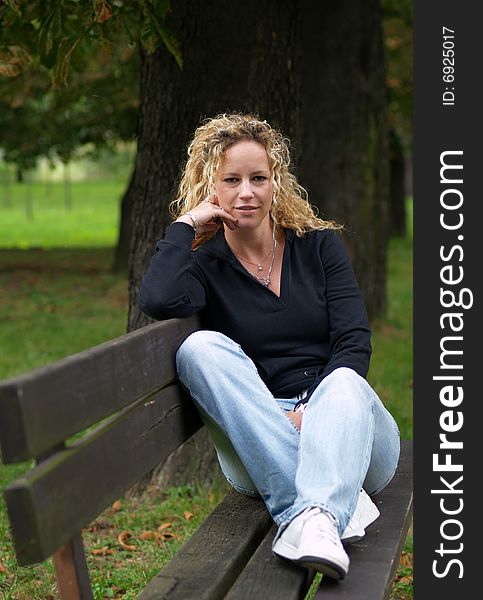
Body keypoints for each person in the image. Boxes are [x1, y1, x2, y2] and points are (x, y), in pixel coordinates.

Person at [139, 113, 400, 581]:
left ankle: (307, 514)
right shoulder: (204, 267)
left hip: (345, 425)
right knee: (199, 348)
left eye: (258, 178)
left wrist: (314, 416)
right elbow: (159, 299)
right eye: (231, 180)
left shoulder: (317, 247)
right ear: (210, 188)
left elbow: (353, 342)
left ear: (275, 182)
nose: (246, 193)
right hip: (262, 432)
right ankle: (324, 513)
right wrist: (185, 224)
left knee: (343, 379)